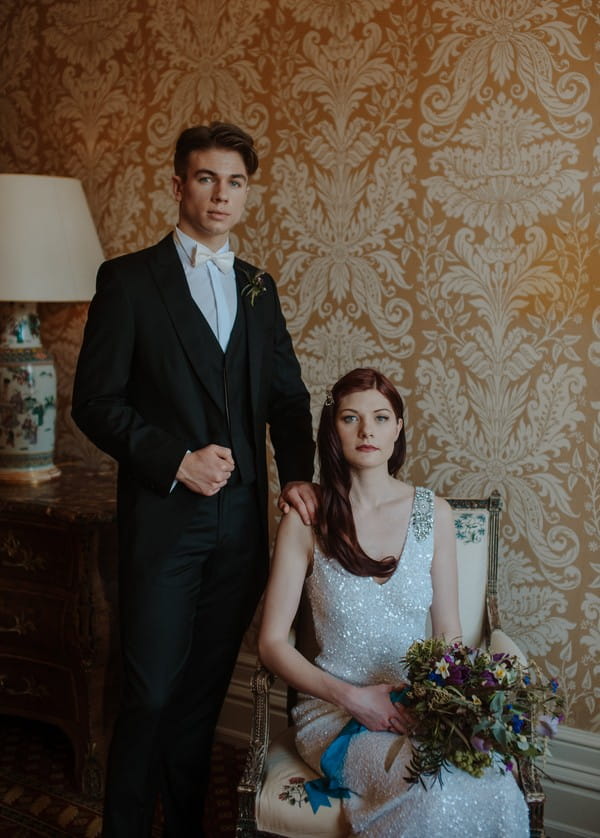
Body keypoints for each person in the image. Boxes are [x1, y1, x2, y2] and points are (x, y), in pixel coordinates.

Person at [72, 122, 317, 838]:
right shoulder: (127, 281)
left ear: (247, 193)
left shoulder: (258, 289)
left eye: (235, 181)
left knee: (202, 698)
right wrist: (174, 458)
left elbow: (288, 399)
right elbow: (96, 402)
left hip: (239, 533)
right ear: (178, 185)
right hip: (163, 523)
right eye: (206, 178)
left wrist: (297, 478)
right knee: (149, 693)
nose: (220, 194)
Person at [258, 367, 530, 837]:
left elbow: (448, 633)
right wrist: (354, 699)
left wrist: (444, 708)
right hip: (337, 714)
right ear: (332, 429)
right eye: (351, 418)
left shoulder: (433, 515)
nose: (367, 431)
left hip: (419, 706)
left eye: (381, 418)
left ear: (398, 428)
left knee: (498, 785)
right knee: (435, 789)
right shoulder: (307, 519)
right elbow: (271, 643)